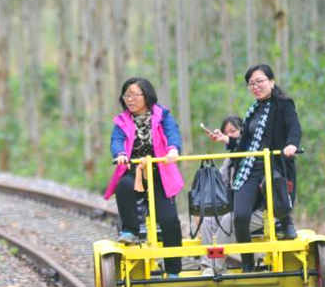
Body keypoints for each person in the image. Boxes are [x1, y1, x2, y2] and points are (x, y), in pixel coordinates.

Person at [208, 63, 301, 271]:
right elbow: (244, 144)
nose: (255, 86)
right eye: (251, 83)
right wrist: (227, 141)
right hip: (250, 169)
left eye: (260, 81)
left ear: (271, 82)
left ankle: (286, 222)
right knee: (240, 216)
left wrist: (292, 144)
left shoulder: (283, 104)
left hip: (274, 164)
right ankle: (248, 263)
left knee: (275, 189)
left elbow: (294, 127)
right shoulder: (253, 110)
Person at [103, 77, 185, 276]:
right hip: (134, 170)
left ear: (146, 96)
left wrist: (173, 150)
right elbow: (117, 140)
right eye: (126, 95)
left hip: (160, 172)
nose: (130, 99)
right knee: (123, 186)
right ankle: (130, 230)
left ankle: (173, 269)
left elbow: (172, 133)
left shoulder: (162, 115)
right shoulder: (122, 121)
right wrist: (120, 154)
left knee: (169, 220)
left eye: (134, 95)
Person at [197, 116, 263, 273]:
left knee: (228, 220)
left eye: (233, 131)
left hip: (259, 212)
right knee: (209, 221)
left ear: (243, 131)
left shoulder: (255, 156)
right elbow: (220, 183)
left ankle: (215, 266)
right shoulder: (230, 160)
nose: (230, 136)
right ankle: (208, 265)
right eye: (227, 133)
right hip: (237, 209)